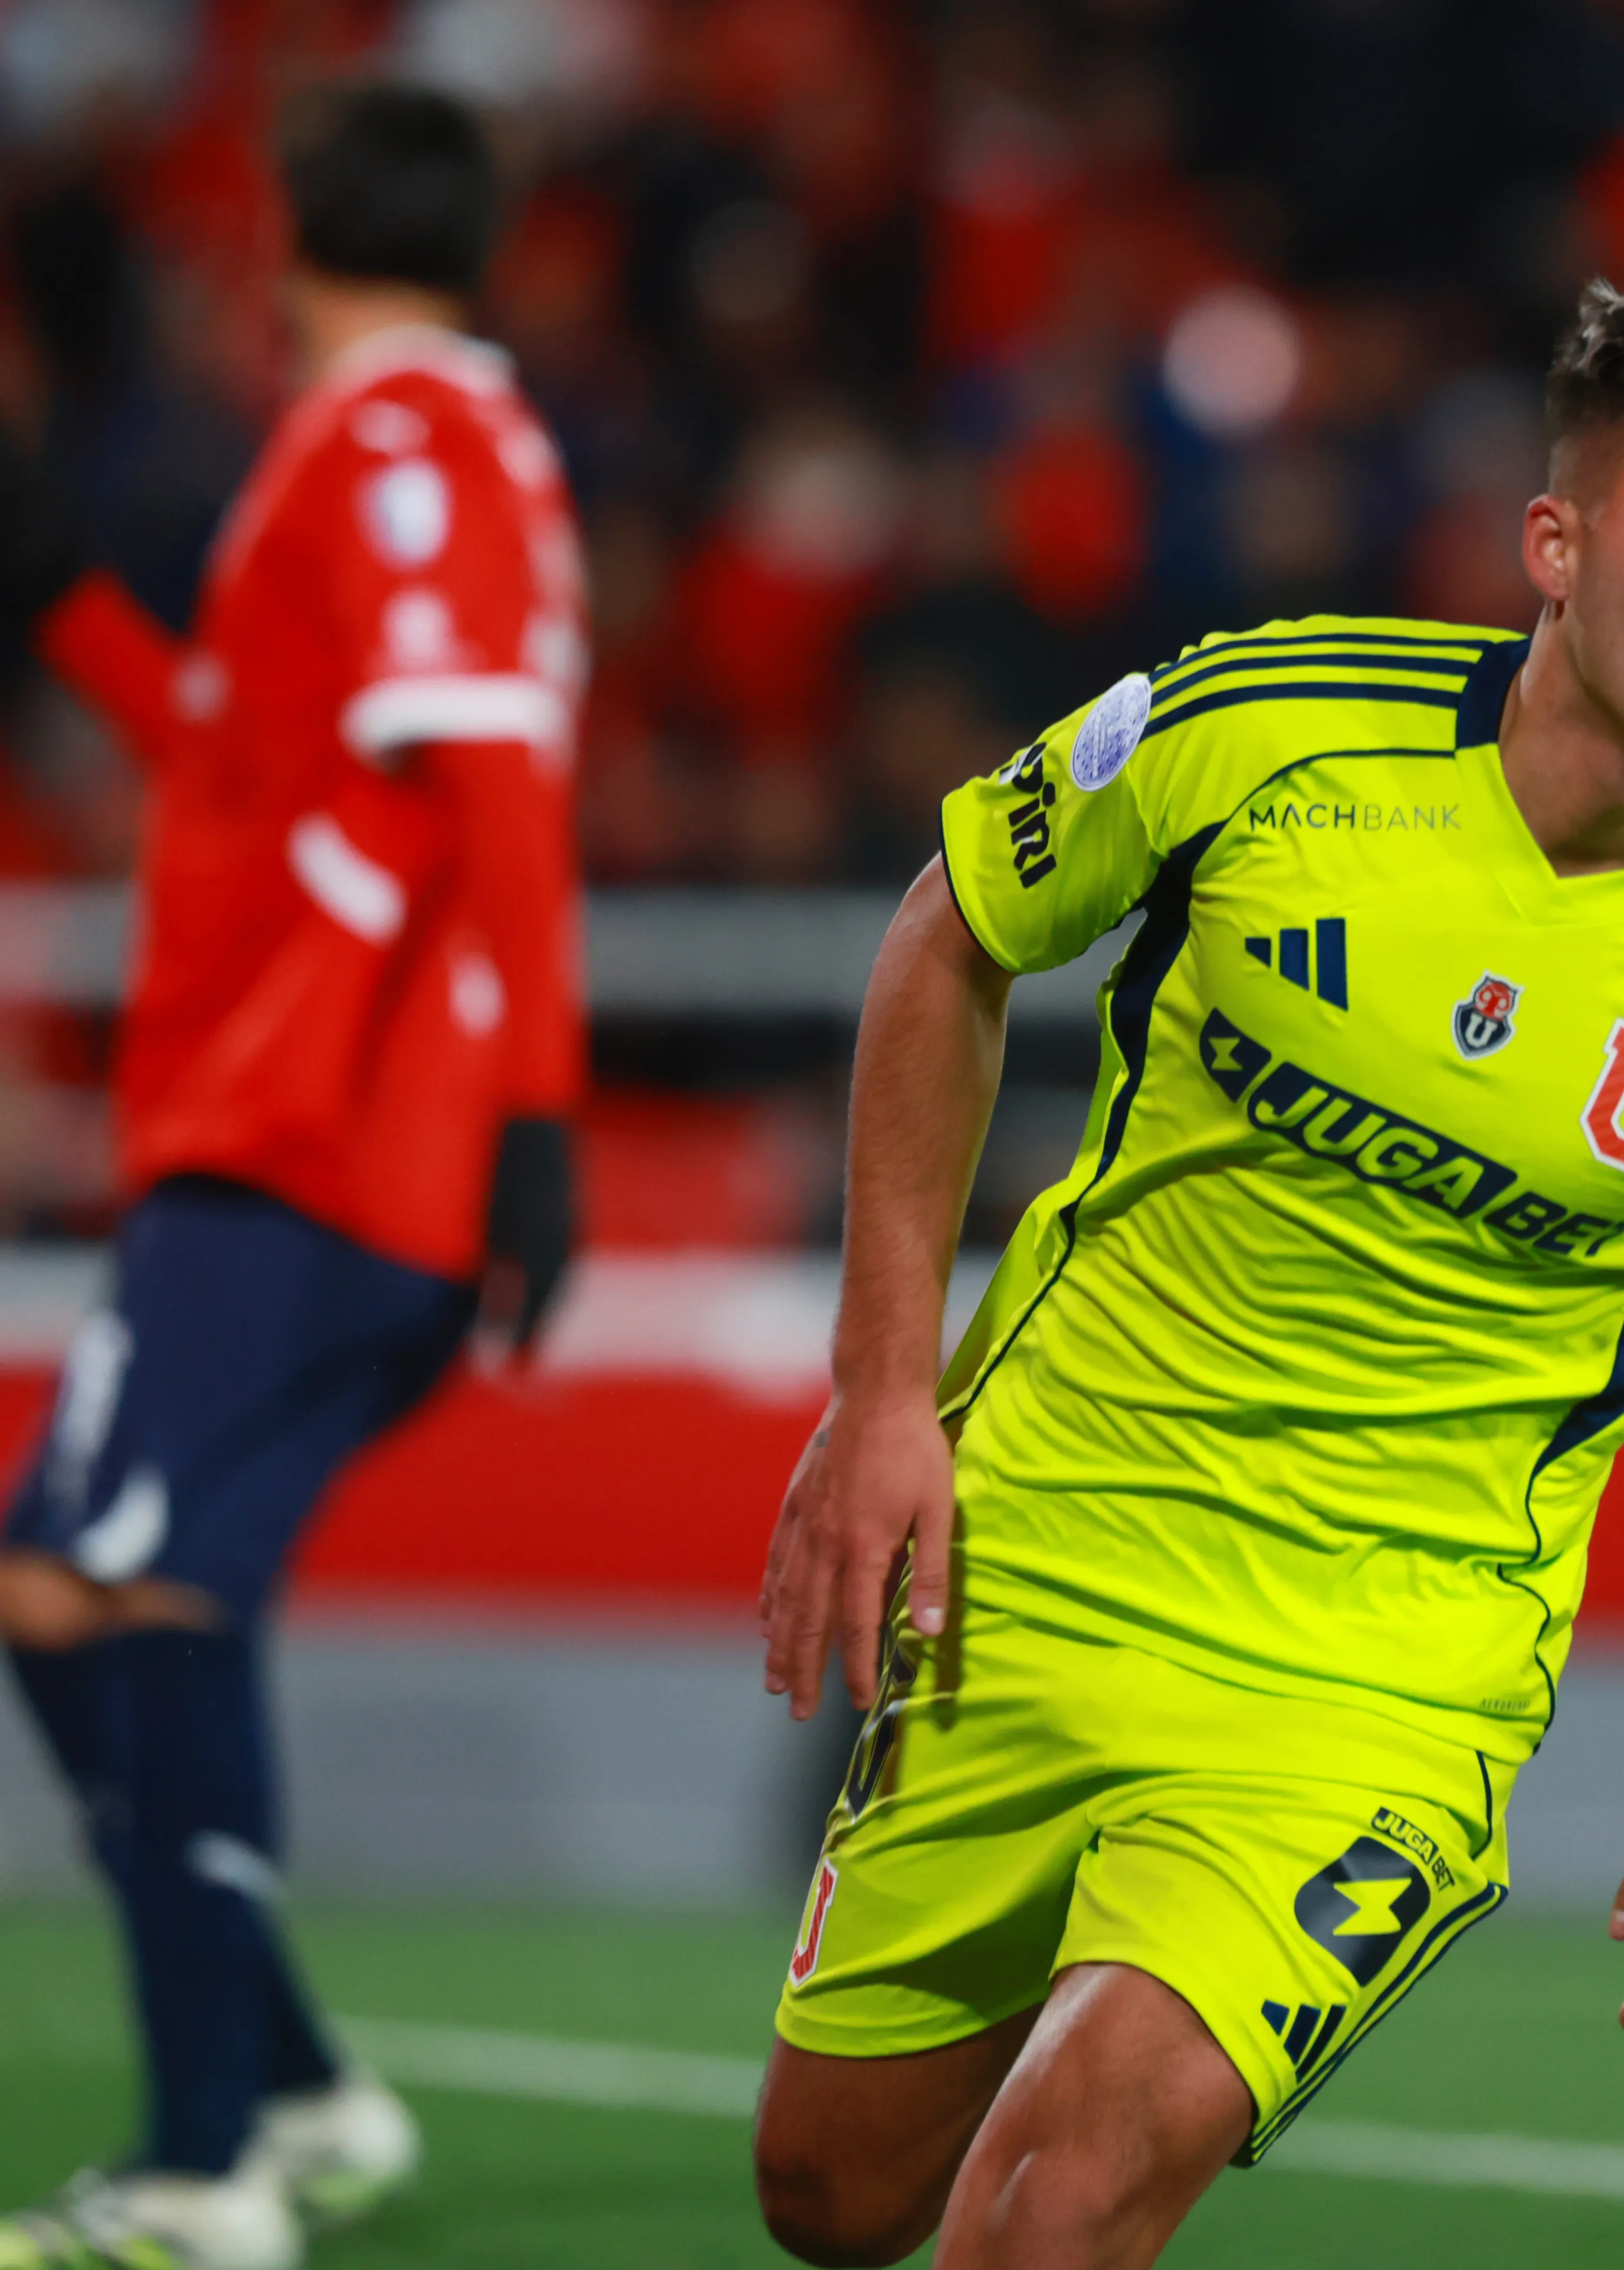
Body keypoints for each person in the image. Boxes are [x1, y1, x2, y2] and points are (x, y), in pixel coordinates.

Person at [750, 275, 1624, 2269]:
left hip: (1382, 1678)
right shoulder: (1270, 728)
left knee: (1049, 2213)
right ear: (1557, 547)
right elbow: (951, 929)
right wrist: (883, 1393)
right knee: (830, 2194)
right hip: (1038, 1545)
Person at [0, 85, 585, 2270]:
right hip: (330, 1126)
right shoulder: (406, 447)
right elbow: (246, 770)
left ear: (284, 230)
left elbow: (494, 783)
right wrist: (63, 596)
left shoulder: (399, 448)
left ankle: (200, 2156)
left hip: (317, 1132)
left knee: (84, 1579)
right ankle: (291, 2096)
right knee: (119, 1585)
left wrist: (539, 1109)